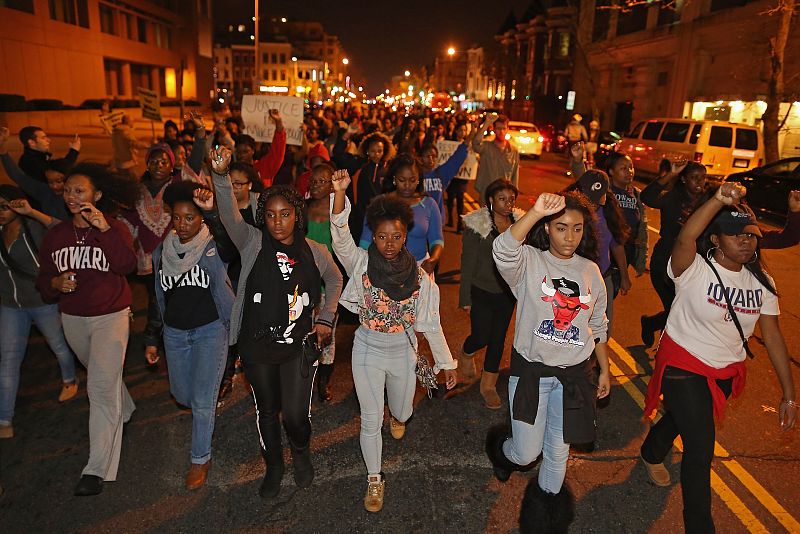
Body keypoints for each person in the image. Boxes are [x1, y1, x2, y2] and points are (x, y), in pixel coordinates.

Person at [640, 183, 796, 533]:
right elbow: (685, 238)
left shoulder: (762, 283)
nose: (746, 241)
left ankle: (651, 450)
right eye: (736, 235)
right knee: (700, 448)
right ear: (714, 240)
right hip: (683, 362)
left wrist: (789, 394)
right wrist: (716, 201)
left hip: (724, 370)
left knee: (683, 420)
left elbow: (772, 337)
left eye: (751, 236)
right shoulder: (693, 267)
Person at [207, 146, 342, 500]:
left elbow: (336, 281)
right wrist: (220, 177)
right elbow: (228, 215)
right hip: (257, 347)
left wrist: (326, 318)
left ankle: (300, 452)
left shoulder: (315, 251)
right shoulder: (251, 243)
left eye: (285, 214)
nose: (277, 221)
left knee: (295, 416)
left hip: (299, 347)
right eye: (270, 215)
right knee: (267, 410)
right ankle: (274, 465)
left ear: (297, 216)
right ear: (262, 218)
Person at [330, 169, 457, 513]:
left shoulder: (420, 276)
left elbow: (431, 323)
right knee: (370, 419)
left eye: (396, 236)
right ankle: (374, 478)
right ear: (374, 235)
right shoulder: (360, 263)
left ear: (405, 237)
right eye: (382, 236)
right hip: (367, 349)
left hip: (404, 352)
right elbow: (340, 237)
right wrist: (340, 193)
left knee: (402, 411)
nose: (388, 243)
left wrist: (446, 364)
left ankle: (399, 416)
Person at [485, 191, 609, 533]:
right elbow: (502, 250)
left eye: (577, 229)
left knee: (557, 454)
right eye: (560, 228)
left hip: (573, 378)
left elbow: (597, 324)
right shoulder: (528, 262)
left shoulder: (591, 271)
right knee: (525, 454)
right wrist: (536, 210)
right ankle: (501, 450)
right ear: (546, 228)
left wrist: (605, 370)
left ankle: (544, 525)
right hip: (531, 374)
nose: (569, 237)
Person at [35, 163, 139, 496]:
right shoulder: (57, 235)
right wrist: (54, 282)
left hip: (112, 315)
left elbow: (126, 266)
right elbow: (43, 281)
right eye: (67, 190)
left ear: (97, 195)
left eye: (79, 191)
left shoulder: (113, 229)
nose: (71, 196)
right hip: (74, 319)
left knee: (98, 387)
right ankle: (128, 407)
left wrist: (105, 229)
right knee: (103, 376)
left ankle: (96, 470)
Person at [146, 181, 235, 490]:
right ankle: (209, 400)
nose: (183, 225)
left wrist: (211, 214)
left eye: (191, 218)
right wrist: (151, 337)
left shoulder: (212, 246)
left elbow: (229, 242)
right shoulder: (162, 250)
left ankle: (200, 458)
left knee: (200, 401)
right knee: (182, 395)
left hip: (210, 331)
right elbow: (156, 296)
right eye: (178, 218)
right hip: (174, 333)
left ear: (201, 220)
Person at [0, 187, 78, 440]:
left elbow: (61, 229)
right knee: (9, 359)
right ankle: (4, 418)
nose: (1, 213)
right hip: (10, 305)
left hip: (41, 300)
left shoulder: (33, 230)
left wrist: (32, 212)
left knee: (58, 344)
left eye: (4, 206)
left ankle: (69, 379)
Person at [459, 179, 522, 408]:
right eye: (502, 199)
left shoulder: (520, 224)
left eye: (511, 199)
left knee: (498, 340)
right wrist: (465, 297)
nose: (508, 204)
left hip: (507, 294)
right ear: (491, 201)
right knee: (481, 336)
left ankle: (488, 386)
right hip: (481, 289)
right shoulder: (479, 225)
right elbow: (467, 262)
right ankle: (466, 352)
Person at [640, 161, 710, 347]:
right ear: (684, 179)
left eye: (703, 178)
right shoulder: (672, 197)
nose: (700, 182)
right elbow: (647, 197)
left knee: (682, 310)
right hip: (665, 261)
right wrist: (671, 174)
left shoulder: (707, 200)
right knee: (675, 309)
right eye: (694, 178)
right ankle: (666, 351)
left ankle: (651, 324)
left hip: (692, 266)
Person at [359, 155, 443, 273]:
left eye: (412, 180)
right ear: (394, 179)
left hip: (420, 268)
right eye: (402, 180)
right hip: (384, 269)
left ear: (419, 179)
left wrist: (433, 260)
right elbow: (365, 241)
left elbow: (437, 240)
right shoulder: (379, 203)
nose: (407, 185)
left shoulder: (429, 204)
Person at [305, 162, 342, 402]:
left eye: (323, 181)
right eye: (314, 181)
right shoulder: (302, 210)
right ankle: (304, 379)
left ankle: (324, 382)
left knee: (327, 337)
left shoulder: (337, 214)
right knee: (304, 335)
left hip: (329, 285)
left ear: (332, 185)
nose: (317, 185)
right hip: (304, 286)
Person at [0, 127, 70, 220]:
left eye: (59, 181)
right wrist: (2, 150)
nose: (54, 186)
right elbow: (19, 177)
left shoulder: (79, 198)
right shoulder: (46, 193)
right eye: (50, 182)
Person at [606, 152, 648, 278]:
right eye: (623, 168)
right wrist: (577, 161)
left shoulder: (636, 194)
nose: (629, 171)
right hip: (606, 249)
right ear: (611, 172)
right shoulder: (606, 190)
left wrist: (640, 259)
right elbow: (583, 179)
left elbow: (642, 230)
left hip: (627, 248)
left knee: (615, 287)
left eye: (631, 167)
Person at [419, 135, 470, 221]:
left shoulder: (440, 173)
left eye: (434, 156)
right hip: (419, 220)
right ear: (420, 158)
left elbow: (457, 157)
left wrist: (471, 134)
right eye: (427, 156)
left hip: (436, 221)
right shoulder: (415, 176)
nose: (431, 159)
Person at [472, 114, 520, 204]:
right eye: (498, 128)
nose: (501, 132)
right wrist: (486, 123)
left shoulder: (513, 151)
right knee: (486, 218)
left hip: (505, 198)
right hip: (487, 195)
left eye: (504, 128)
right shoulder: (486, 147)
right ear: (493, 129)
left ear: (507, 129)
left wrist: (513, 195)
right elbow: (475, 144)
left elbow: (515, 175)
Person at [235, 110, 286, 188]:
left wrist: (278, 122)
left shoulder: (263, 167)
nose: (241, 155)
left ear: (253, 151)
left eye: (245, 151)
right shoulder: (233, 171)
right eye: (238, 152)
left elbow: (278, 151)